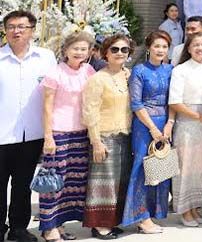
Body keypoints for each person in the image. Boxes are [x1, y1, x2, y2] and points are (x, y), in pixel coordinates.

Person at [39, 32, 95, 242]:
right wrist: (48, 137)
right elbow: (46, 107)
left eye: (83, 49)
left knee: (74, 182)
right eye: (75, 48)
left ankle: (59, 225)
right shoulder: (55, 73)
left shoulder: (88, 70)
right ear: (65, 51)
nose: (79, 52)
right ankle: (48, 227)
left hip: (81, 133)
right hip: (58, 133)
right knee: (53, 182)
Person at [121, 32, 173, 233]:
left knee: (160, 168)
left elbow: (174, 98)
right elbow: (136, 103)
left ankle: (153, 213)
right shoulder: (139, 71)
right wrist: (152, 128)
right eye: (157, 46)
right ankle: (140, 217)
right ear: (149, 47)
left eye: (164, 46)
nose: (160, 50)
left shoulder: (170, 69)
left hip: (165, 125)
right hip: (145, 125)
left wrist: (169, 124)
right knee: (142, 168)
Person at [82, 35, 133, 239]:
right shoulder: (97, 79)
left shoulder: (126, 75)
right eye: (114, 49)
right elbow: (90, 112)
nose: (120, 53)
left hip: (124, 135)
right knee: (103, 183)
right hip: (104, 136)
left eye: (124, 50)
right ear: (105, 53)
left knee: (119, 182)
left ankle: (113, 221)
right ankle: (100, 225)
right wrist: (96, 142)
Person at [168, 32, 202, 227]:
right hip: (188, 123)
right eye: (196, 45)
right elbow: (175, 102)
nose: (200, 48)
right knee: (185, 167)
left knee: (200, 168)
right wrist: (199, 117)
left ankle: (196, 208)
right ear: (188, 48)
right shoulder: (180, 70)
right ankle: (185, 211)